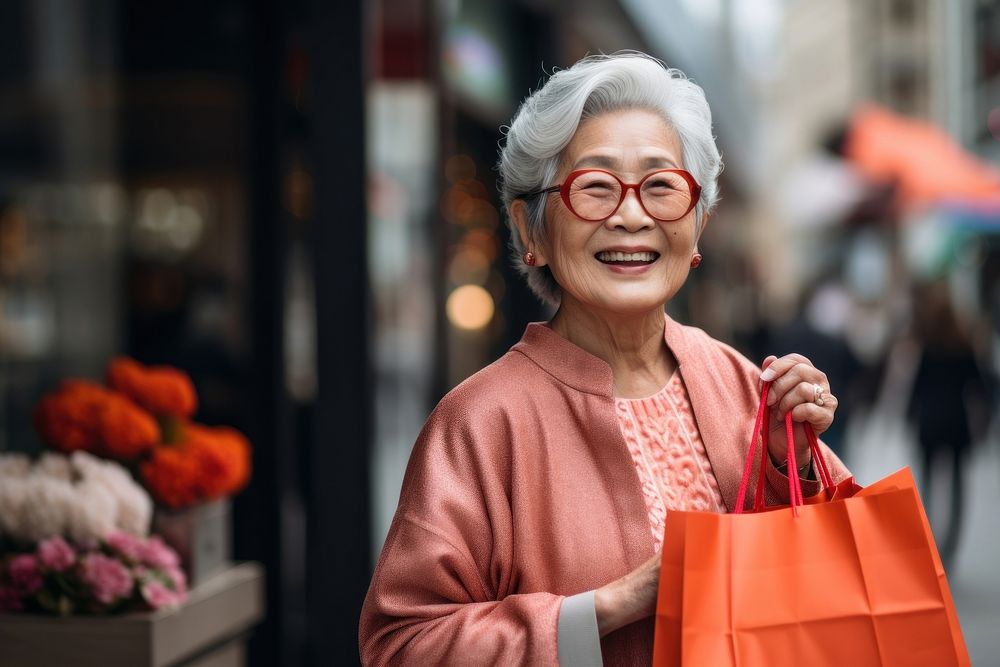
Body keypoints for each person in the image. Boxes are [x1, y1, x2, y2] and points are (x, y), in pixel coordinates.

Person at [359, 52, 851, 666]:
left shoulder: (744, 382)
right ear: (532, 230)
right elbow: (400, 646)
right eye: (594, 187)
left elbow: (828, 600)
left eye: (661, 185)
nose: (631, 214)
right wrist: (614, 604)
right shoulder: (479, 422)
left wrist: (789, 467)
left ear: (696, 225)